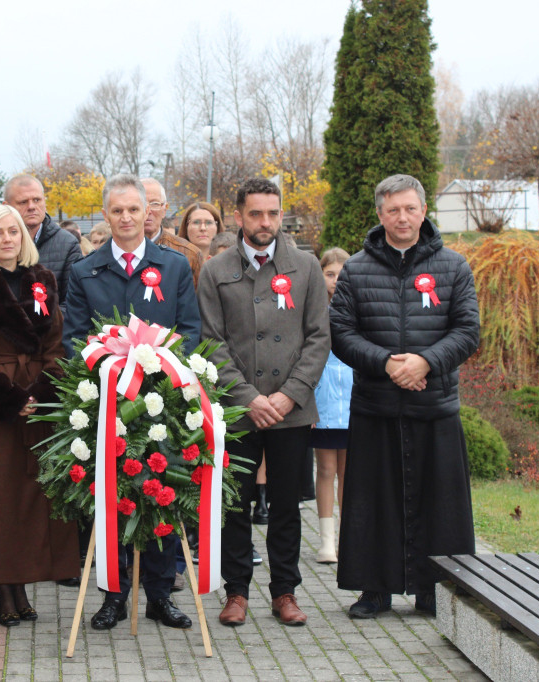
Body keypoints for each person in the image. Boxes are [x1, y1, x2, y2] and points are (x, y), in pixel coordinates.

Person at [329, 174, 480, 618]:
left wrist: (425, 362)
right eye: (393, 209)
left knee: (440, 504)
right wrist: (388, 364)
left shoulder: (454, 267)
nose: (402, 217)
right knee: (372, 501)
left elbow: (468, 331)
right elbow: (341, 333)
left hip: (434, 405)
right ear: (380, 214)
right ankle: (375, 589)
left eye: (410, 208)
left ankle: (434, 589)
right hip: (377, 404)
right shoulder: (356, 269)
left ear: (423, 210)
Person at [62, 173, 201, 632]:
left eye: (134, 210)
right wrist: (106, 372)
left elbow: (191, 331)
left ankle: (161, 595)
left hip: (162, 404)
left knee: (160, 496)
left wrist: (160, 373)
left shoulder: (174, 267)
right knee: (109, 498)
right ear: (106, 214)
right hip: (106, 404)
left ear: (149, 213)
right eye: (117, 211)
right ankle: (113, 597)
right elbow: (74, 337)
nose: (125, 218)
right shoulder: (85, 271)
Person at [198, 177, 330, 627]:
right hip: (238, 409)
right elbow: (210, 343)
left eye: (273, 213)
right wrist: (250, 398)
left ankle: (285, 592)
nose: (265, 222)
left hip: (291, 412)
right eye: (255, 213)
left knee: (287, 506)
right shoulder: (215, 271)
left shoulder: (306, 267)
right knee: (234, 503)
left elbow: (318, 338)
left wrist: (288, 396)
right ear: (238, 217)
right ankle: (236, 592)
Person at [0, 204, 79, 626]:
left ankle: (23, 582)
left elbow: (56, 344)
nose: (7, 239)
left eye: (14, 232)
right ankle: (4, 589)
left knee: (31, 498)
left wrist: (40, 391)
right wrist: (8, 397)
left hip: (38, 401)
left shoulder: (41, 280)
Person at [313, 247, 353, 564]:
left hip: (354, 403)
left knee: (348, 473)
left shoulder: (359, 310)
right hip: (323, 403)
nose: (336, 281)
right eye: (330, 274)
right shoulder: (313, 311)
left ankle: (348, 537)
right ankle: (326, 541)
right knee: (325, 469)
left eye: (342, 275)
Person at [3, 175, 82, 301]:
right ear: (6, 206)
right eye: (23, 202)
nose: (32, 207)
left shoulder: (68, 245)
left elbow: (74, 303)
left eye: (37, 200)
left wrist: (41, 319)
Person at [140, 178, 203, 287]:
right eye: (142, 204)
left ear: (165, 209)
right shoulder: (119, 250)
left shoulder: (189, 254)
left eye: (155, 204)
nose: (148, 210)